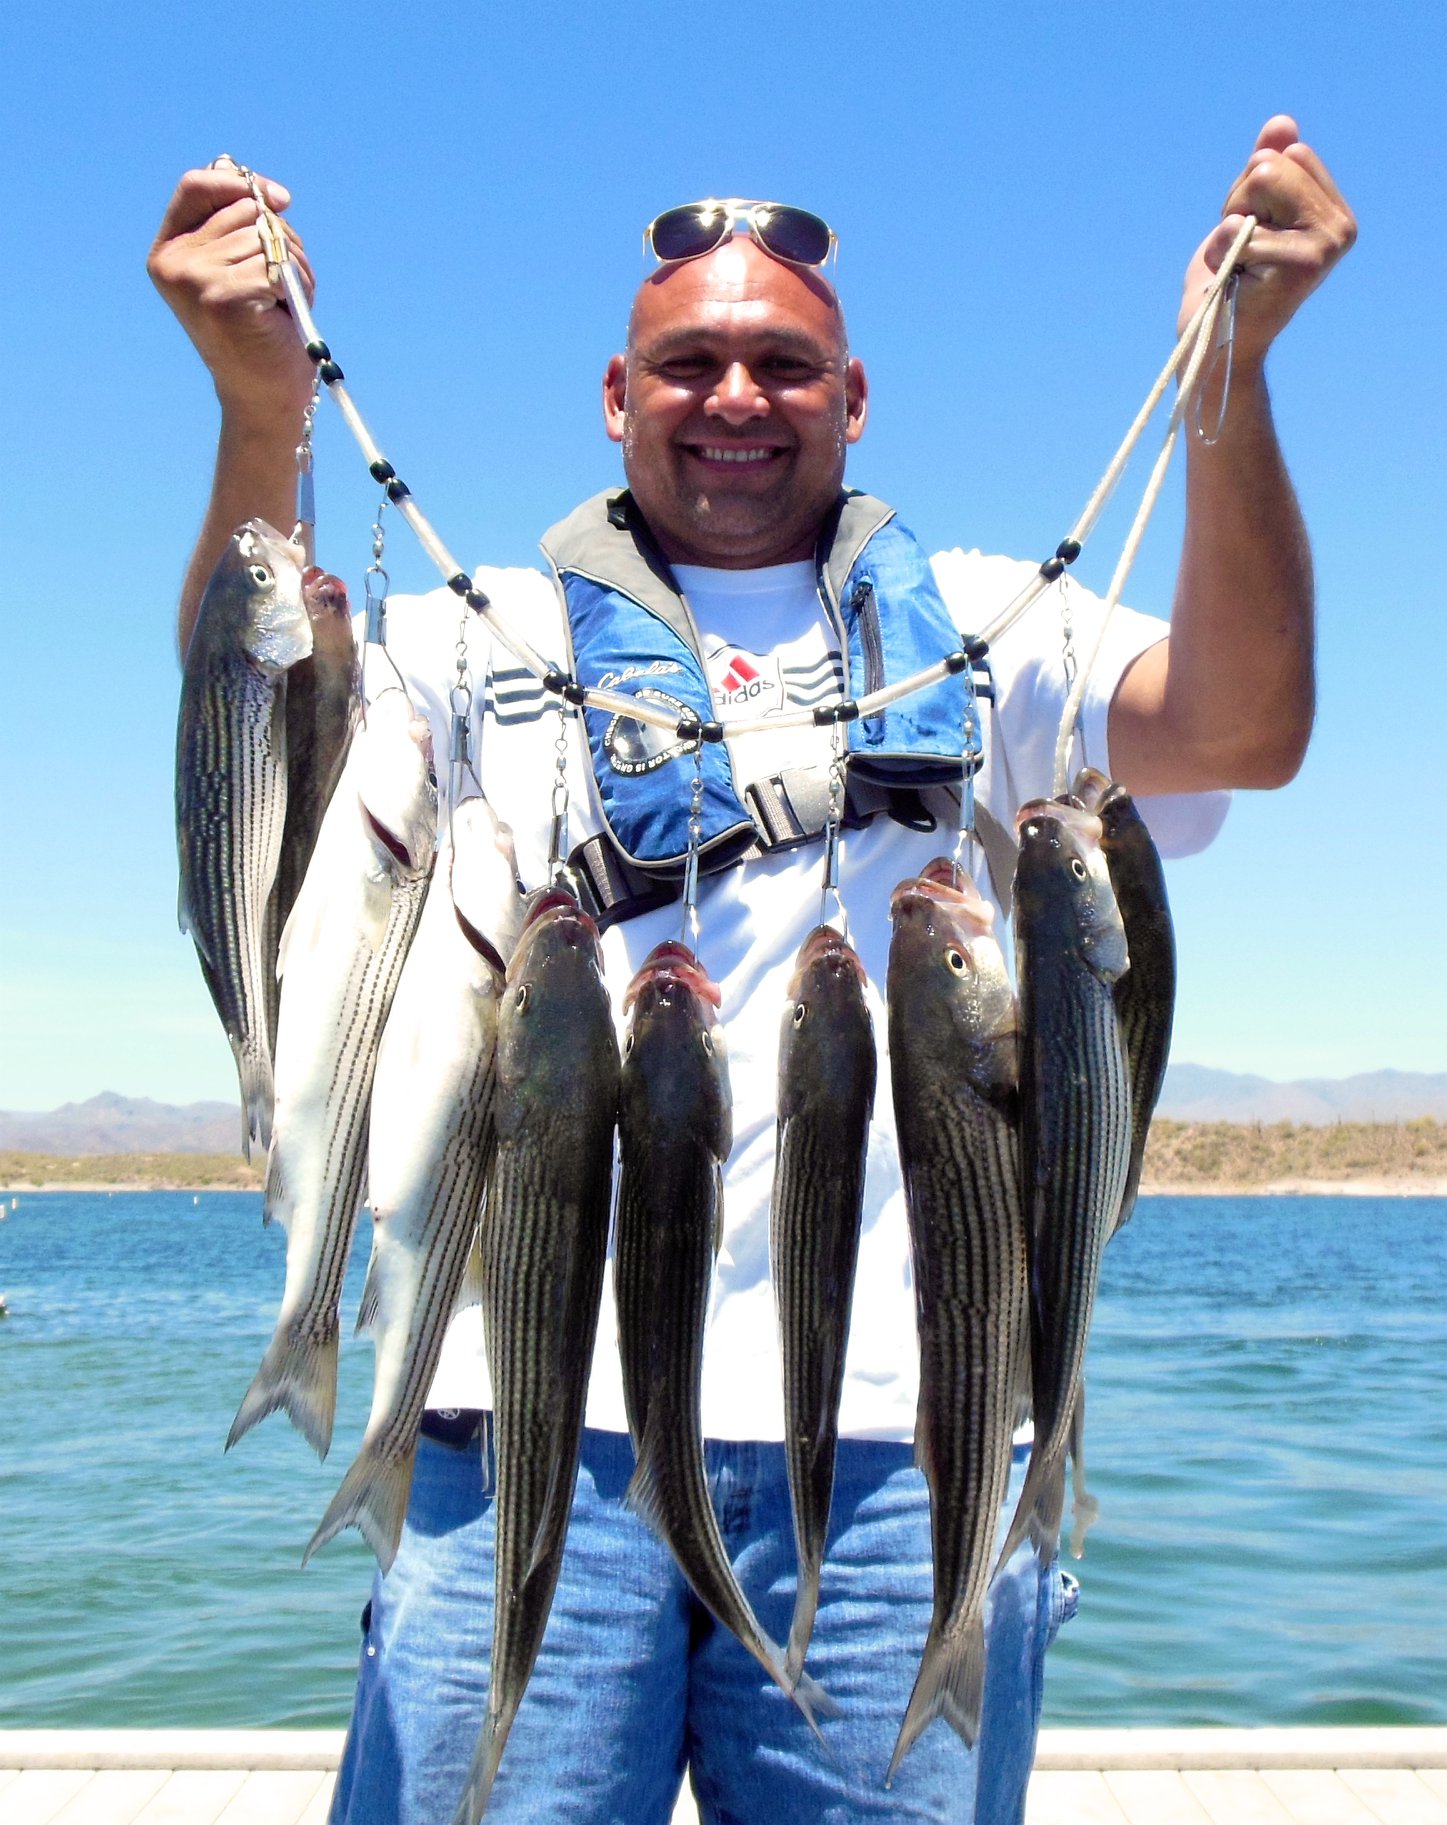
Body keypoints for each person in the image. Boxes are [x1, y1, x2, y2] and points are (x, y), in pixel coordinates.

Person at [149, 119, 1354, 1825]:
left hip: (906, 1454)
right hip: (523, 1426)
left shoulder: (991, 629)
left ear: (853, 399)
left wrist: (1230, 375)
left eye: (783, 365)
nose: (735, 396)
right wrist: (260, 403)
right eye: (689, 364)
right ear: (614, 395)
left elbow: (1245, 728)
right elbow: (252, 696)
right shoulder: (479, 634)